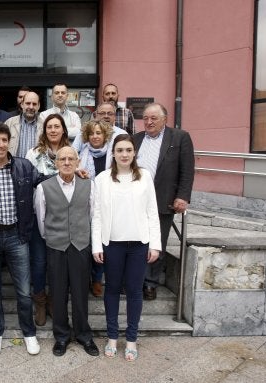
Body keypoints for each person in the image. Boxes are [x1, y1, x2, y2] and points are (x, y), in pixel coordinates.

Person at [0, 122, 47, 357]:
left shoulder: (23, 166)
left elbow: (45, 182)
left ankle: (29, 333)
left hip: (17, 236)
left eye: (5, 140)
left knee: (24, 290)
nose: (1, 144)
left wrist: (73, 174)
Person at [92, 134, 161, 361]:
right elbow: (97, 215)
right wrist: (96, 245)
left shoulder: (145, 177)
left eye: (128, 150)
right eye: (119, 150)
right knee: (111, 290)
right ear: (113, 153)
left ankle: (131, 338)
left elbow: (152, 213)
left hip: (139, 245)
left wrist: (155, 245)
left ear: (134, 153)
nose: (124, 154)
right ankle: (112, 336)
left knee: (134, 292)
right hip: (112, 244)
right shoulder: (102, 178)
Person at [34, 146, 99, 357]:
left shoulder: (89, 184)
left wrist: (86, 238)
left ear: (78, 162)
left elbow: (93, 215)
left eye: (71, 158)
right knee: (58, 293)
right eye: (63, 159)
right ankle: (61, 336)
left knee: (81, 292)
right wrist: (53, 238)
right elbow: (41, 219)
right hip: (56, 246)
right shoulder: (44, 187)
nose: (67, 162)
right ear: (56, 162)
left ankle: (84, 335)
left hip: (80, 245)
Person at [133, 103, 195, 300]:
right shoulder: (136, 139)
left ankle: (150, 283)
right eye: (146, 118)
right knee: (135, 241)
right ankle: (134, 280)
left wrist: (183, 196)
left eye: (154, 118)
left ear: (164, 119)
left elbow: (187, 170)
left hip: (163, 199)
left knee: (156, 244)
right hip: (135, 200)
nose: (149, 122)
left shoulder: (179, 137)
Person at [24, 113, 71, 325]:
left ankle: (54, 300)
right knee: (40, 262)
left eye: (57, 126)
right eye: (49, 127)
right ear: (44, 131)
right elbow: (28, 181)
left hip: (64, 218)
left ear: (63, 130)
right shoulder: (33, 154)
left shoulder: (70, 153)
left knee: (58, 263)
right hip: (39, 216)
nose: (53, 130)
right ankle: (40, 301)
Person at [76, 119, 114, 297]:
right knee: (86, 243)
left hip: (107, 204)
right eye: (91, 133)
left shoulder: (113, 155)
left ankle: (97, 279)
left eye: (99, 133)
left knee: (102, 242)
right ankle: (85, 279)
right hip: (85, 204)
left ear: (105, 135)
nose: (95, 136)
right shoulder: (80, 155)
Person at [5, 91, 44, 157]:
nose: (31, 107)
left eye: (34, 104)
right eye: (28, 103)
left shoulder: (45, 125)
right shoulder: (9, 123)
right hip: (15, 166)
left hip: (36, 166)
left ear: (38, 106)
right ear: (22, 104)